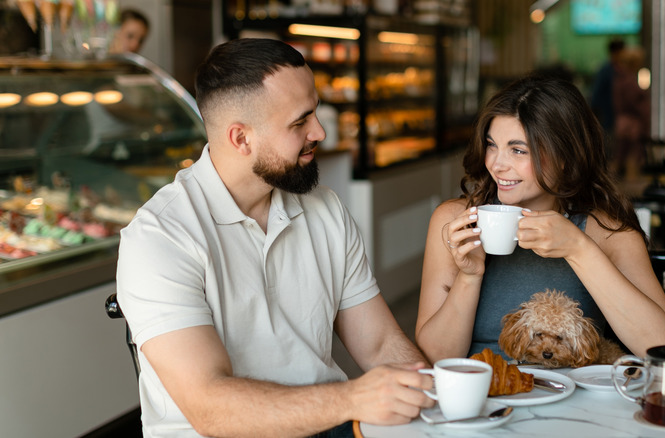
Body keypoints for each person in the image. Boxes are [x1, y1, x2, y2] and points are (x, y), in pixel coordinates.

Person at [116, 38, 433, 438]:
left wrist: (435, 392)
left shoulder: (325, 208)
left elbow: (379, 343)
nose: (319, 132)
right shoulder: (160, 237)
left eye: (315, 112)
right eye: (300, 122)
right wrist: (354, 399)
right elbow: (210, 407)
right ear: (241, 138)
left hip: (327, 424)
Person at [415, 75, 665, 364]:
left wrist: (579, 249)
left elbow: (661, 346)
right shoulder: (455, 222)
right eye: (492, 145)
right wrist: (469, 276)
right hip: (481, 396)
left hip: (571, 403)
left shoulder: (607, 232)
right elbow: (436, 357)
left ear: (564, 155)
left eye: (518, 150)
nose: (497, 164)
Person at [612, 47, 651, 182]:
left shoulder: (620, 80)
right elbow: (635, 102)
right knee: (633, 154)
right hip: (632, 121)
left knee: (622, 153)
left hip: (624, 120)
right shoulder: (629, 81)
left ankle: (621, 180)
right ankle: (631, 182)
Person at [590, 39, 625, 158]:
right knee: (609, 150)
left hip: (615, 117)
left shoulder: (619, 70)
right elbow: (596, 96)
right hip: (608, 117)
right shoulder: (606, 71)